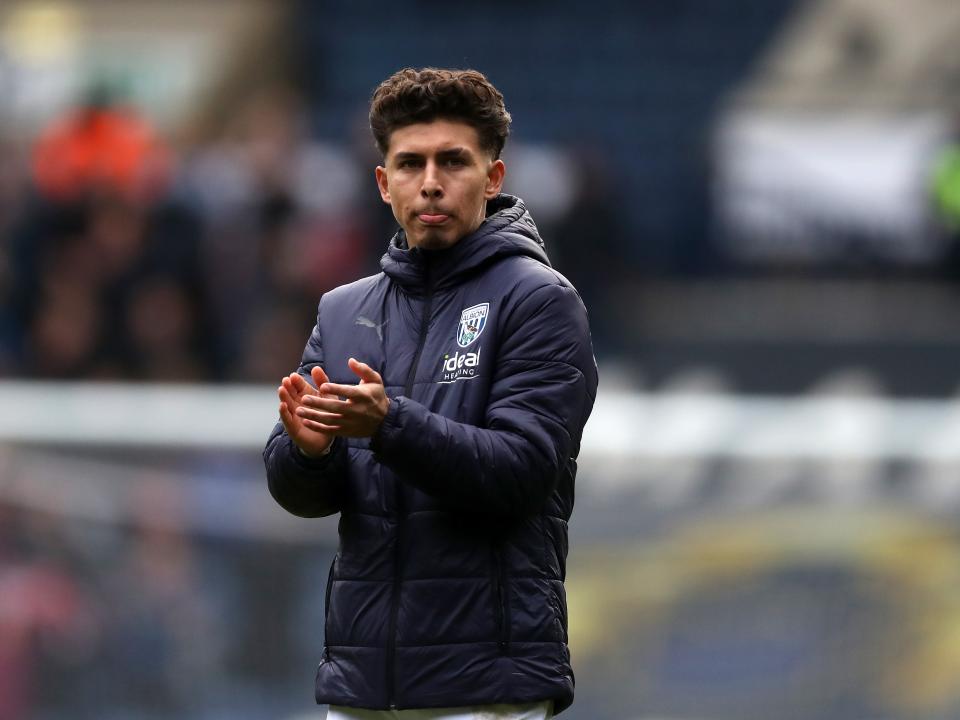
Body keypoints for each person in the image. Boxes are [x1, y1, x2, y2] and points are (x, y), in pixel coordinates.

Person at [264, 67, 598, 719]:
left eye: (454, 161)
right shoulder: (342, 311)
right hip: (362, 687)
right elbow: (300, 495)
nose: (432, 182)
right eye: (410, 164)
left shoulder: (539, 303)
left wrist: (389, 426)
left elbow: (521, 474)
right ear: (385, 183)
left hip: (484, 689)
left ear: (493, 178)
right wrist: (308, 453)